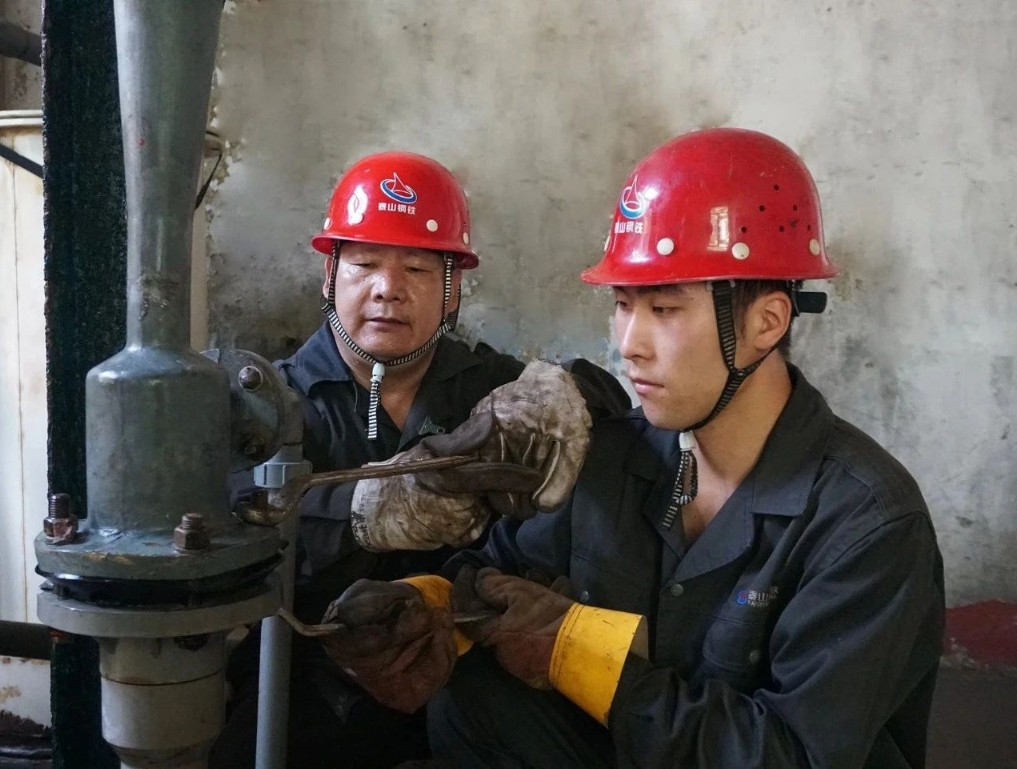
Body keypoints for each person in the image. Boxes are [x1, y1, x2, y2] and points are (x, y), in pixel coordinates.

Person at [318, 129, 945, 769]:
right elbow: (496, 565)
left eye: (665, 309)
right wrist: (427, 604)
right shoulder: (617, 455)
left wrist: (584, 655)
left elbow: (791, 756)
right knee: (473, 694)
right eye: (623, 304)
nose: (629, 344)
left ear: (767, 322)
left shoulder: (865, 523)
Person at [210, 151, 630, 768]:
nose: (389, 288)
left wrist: (571, 394)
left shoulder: (492, 388)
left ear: (451, 287)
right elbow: (229, 512)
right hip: (314, 673)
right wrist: (362, 509)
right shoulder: (271, 403)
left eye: (417, 268)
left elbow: (617, 419)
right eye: (365, 265)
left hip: (463, 666)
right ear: (330, 275)